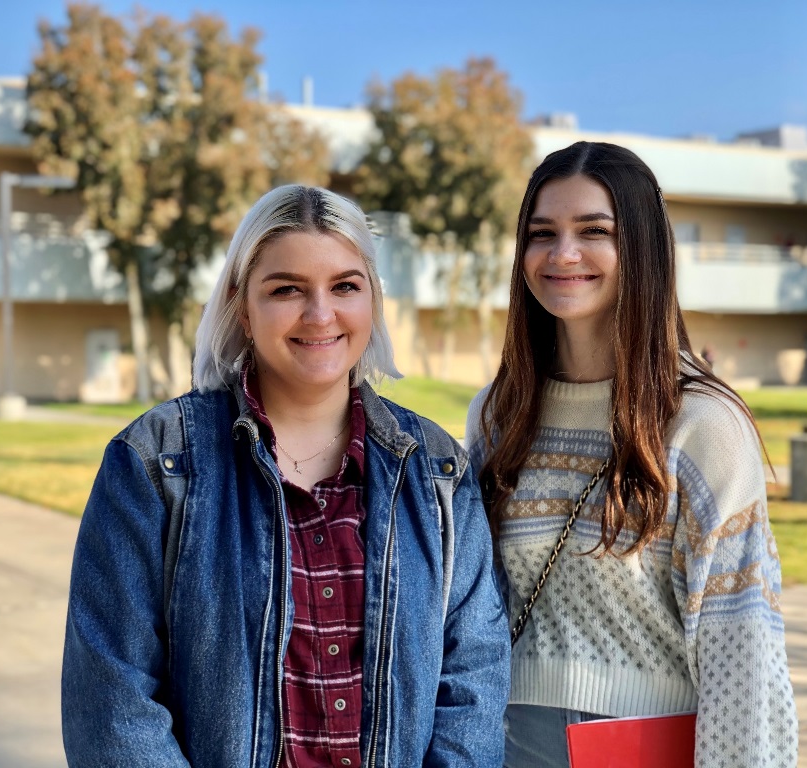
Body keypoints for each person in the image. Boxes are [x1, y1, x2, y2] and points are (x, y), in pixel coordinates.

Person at [62, 185, 510, 767]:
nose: (320, 314)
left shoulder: (437, 470)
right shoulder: (155, 461)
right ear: (242, 308)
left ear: (372, 299)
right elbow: (112, 698)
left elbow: (473, 675)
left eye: (345, 286)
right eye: (286, 290)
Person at [466, 142, 798, 767]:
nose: (563, 254)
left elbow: (742, 650)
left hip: (649, 747)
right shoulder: (498, 414)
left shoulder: (702, 424)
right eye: (543, 234)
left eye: (594, 230)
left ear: (642, 248)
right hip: (506, 743)